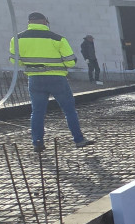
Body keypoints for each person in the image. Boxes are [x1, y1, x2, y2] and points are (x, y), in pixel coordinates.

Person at [9, 12, 94, 153]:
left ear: (30, 22)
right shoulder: (57, 39)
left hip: (35, 79)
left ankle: (37, 143)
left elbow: (14, 60)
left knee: (37, 112)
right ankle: (78, 140)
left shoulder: (17, 39)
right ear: (44, 22)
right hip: (57, 79)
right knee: (69, 111)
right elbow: (70, 61)